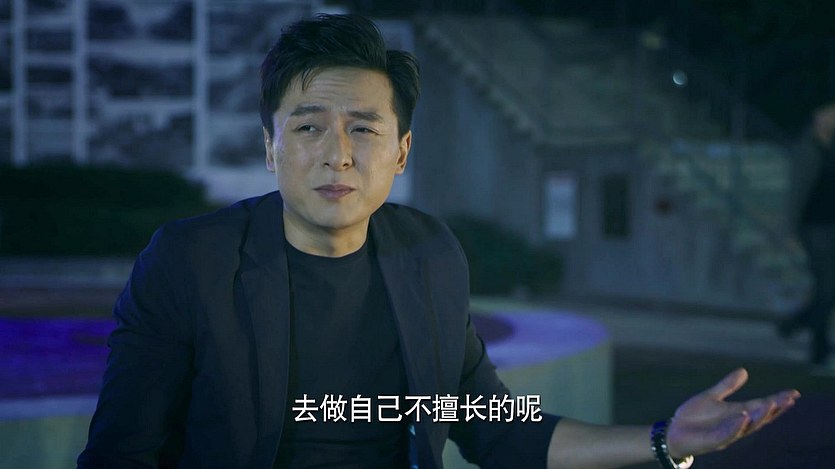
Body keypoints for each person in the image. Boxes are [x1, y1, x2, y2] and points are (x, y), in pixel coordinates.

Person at [78, 14, 799, 469]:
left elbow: (493, 425)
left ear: (401, 152)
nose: (338, 154)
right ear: (270, 148)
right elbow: (121, 455)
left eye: (364, 128)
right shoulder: (191, 262)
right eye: (309, 127)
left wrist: (663, 439)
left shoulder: (427, 255)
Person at [778, 102, 835, 373]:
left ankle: (795, 322)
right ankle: (819, 349)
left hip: (831, 226)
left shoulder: (830, 147)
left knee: (829, 289)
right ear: (818, 118)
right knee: (826, 287)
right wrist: (790, 230)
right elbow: (797, 192)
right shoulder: (809, 149)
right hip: (814, 227)